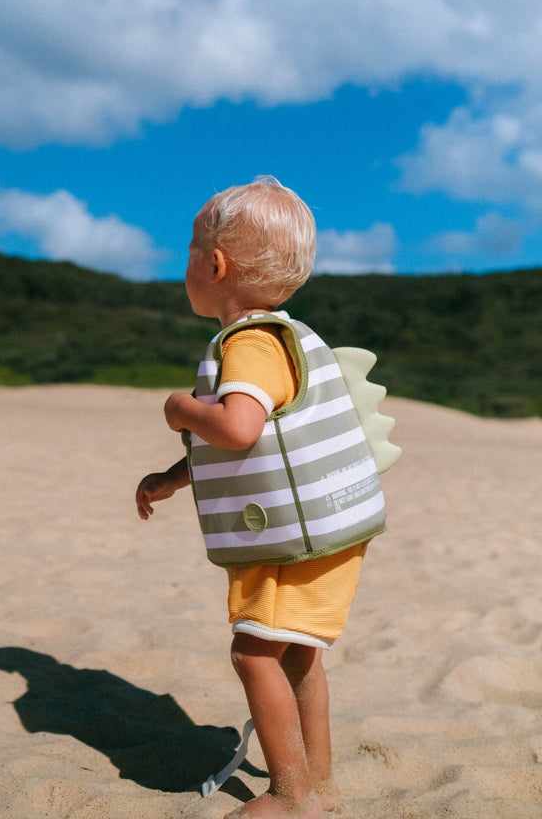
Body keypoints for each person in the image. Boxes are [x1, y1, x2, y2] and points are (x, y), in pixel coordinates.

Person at [136, 177, 387, 819]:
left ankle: (287, 793)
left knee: (253, 653)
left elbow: (238, 428)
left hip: (294, 541)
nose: (186, 259)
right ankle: (321, 785)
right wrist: (174, 477)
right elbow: (255, 449)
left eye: (191, 247)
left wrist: (179, 408)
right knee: (300, 656)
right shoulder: (288, 338)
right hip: (330, 528)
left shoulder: (248, 344)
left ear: (214, 264)